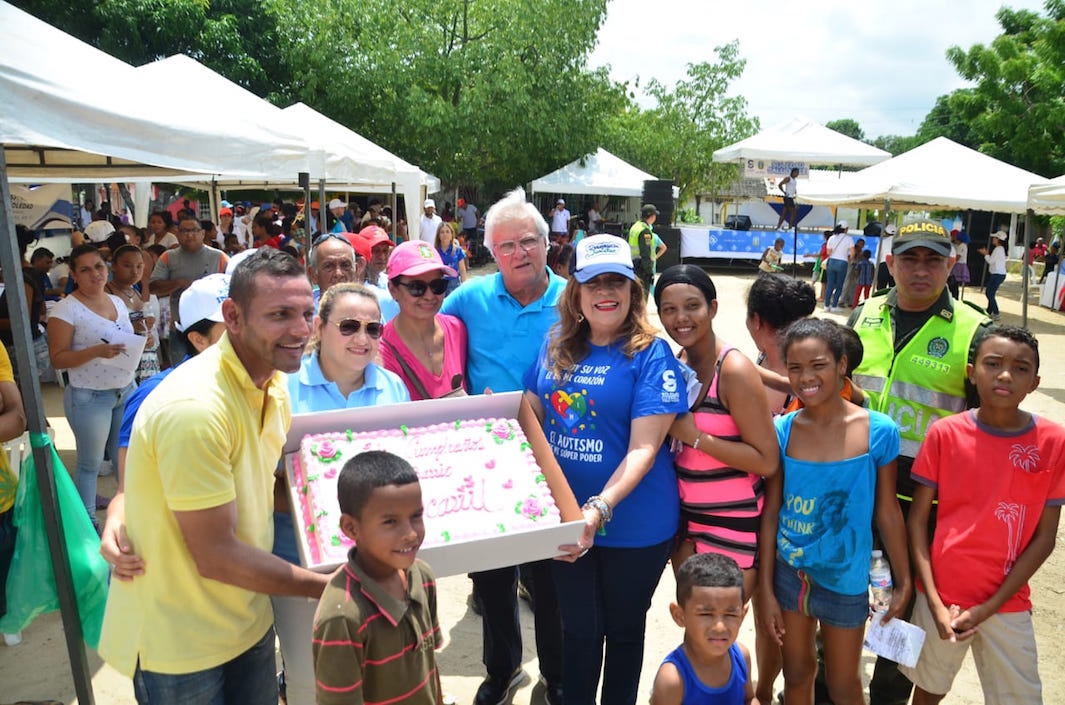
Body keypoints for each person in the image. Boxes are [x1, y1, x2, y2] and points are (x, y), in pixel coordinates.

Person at [98, 249, 330, 705]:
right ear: (233, 317)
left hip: (247, 618)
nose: (301, 329)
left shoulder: (273, 384)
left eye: (307, 313)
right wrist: (340, 587)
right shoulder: (196, 408)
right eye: (280, 314)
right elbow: (216, 556)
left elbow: (265, 489)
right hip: (180, 643)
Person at [524, 234, 687, 705]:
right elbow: (530, 419)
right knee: (577, 631)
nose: (604, 291)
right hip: (566, 520)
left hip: (634, 526)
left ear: (634, 290)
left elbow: (644, 449)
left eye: (616, 280)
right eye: (592, 281)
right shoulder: (555, 344)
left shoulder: (651, 354)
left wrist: (597, 509)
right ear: (574, 292)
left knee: (622, 633)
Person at [847, 218, 991, 705]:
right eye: (910, 258)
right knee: (844, 598)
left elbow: (986, 425)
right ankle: (831, 690)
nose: (921, 269)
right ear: (891, 263)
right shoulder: (862, 315)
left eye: (933, 259)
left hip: (924, 503)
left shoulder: (975, 331)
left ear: (952, 265)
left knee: (901, 615)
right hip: (855, 487)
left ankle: (887, 696)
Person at [440, 186, 567, 705]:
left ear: (547, 243)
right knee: (493, 581)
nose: (519, 253)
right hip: (487, 459)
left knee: (551, 580)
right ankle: (502, 671)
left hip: (559, 454)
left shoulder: (575, 296)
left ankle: (555, 677)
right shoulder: (467, 298)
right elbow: (428, 339)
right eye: (506, 245)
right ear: (491, 251)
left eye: (528, 241)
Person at [901, 326, 1063, 705]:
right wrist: (937, 604)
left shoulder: (1054, 442)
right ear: (972, 373)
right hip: (941, 596)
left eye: (1020, 368)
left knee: (1020, 697)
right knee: (927, 692)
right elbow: (917, 521)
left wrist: (990, 607)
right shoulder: (944, 433)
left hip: (1008, 601)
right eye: (993, 364)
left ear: (1035, 382)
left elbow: (1045, 538)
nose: (1005, 375)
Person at [758, 318, 911, 705]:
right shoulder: (784, 431)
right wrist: (766, 589)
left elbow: (888, 510)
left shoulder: (878, 431)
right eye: (795, 368)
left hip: (846, 581)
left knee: (844, 686)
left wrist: (904, 580)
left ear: (842, 365)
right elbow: (772, 512)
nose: (806, 377)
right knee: (797, 674)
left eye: (818, 365)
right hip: (789, 577)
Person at [282, 283, 410, 704]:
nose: (363, 339)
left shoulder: (393, 388)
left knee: (378, 671)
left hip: (378, 559)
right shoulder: (282, 390)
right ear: (319, 327)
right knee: (308, 676)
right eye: (350, 326)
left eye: (374, 329)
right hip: (300, 561)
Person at [654, 264, 778, 592]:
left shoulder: (733, 370)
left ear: (713, 308)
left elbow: (767, 460)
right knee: (696, 631)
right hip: (686, 522)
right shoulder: (676, 361)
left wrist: (696, 437)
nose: (681, 317)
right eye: (670, 310)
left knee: (716, 634)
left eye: (692, 306)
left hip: (732, 524)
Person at [312, 451, 441, 705]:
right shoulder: (343, 616)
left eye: (416, 516)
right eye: (390, 521)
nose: (411, 534)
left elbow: (431, 670)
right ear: (351, 528)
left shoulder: (422, 577)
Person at [46, 244, 138, 525]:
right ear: (73, 274)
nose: (94, 274)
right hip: (89, 397)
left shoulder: (118, 301)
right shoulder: (66, 310)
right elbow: (58, 358)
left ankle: (128, 515)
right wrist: (95, 352)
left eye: (98, 266)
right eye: (84, 270)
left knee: (127, 459)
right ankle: (87, 523)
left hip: (125, 389)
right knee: (90, 463)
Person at [650, 553, 755, 705]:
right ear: (679, 616)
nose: (720, 627)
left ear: (742, 615)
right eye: (706, 614)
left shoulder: (741, 656)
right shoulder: (673, 680)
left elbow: (749, 698)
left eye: (731, 614)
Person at [380, 242, 467, 400]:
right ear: (393, 289)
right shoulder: (381, 350)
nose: (429, 296)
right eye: (417, 287)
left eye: (437, 286)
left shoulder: (458, 330)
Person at [149, 213, 228, 363]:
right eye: (184, 231)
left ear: (202, 233)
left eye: (194, 230)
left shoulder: (219, 257)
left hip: (214, 329)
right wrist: (179, 283)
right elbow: (153, 287)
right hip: (179, 328)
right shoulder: (168, 257)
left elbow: (233, 286)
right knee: (180, 372)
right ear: (177, 234)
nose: (189, 235)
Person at [107, 245, 160, 383]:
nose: (135, 271)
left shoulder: (136, 292)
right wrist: (132, 329)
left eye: (139, 266)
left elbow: (147, 331)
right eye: (127, 266)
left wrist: (150, 338)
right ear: (114, 265)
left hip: (146, 363)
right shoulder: (107, 294)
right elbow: (103, 333)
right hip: (124, 366)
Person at [628, 203, 665, 296]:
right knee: (643, 296)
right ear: (652, 216)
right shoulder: (645, 231)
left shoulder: (635, 227)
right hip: (642, 269)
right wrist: (649, 272)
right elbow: (645, 252)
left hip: (633, 265)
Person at [823, 221, 852, 312]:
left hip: (832, 261)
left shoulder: (831, 238)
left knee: (830, 285)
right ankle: (834, 306)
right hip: (842, 262)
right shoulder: (849, 239)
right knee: (839, 285)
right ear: (846, 229)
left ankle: (826, 305)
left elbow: (828, 252)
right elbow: (853, 252)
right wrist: (849, 259)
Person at [978, 232, 1007, 321]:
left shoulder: (998, 249)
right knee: (991, 293)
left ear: (998, 239)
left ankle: (996, 313)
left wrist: (985, 254)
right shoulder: (1000, 249)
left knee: (989, 293)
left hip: (997, 274)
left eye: (994, 238)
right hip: (999, 274)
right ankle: (989, 312)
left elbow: (990, 261)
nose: (993, 239)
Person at [435, 221, 468, 296]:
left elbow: (462, 270)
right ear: (438, 235)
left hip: (454, 286)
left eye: (447, 232)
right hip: (439, 286)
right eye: (442, 232)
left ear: (451, 234)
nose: (445, 234)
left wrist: (464, 287)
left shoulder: (457, 250)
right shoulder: (435, 251)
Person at [840, 237, 866, 308]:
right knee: (847, 284)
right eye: (861, 244)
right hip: (851, 267)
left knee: (854, 285)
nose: (862, 245)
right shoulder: (853, 249)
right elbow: (849, 258)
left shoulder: (861, 252)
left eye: (863, 244)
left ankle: (851, 301)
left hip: (856, 270)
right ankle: (842, 300)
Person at [950, 229, 971, 295]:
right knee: (954, 283)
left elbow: (958, 257)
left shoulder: (962, 246)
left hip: (959, 265)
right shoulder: (961, 246)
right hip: (958, 264)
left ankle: (955, 296)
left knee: (954, 282)